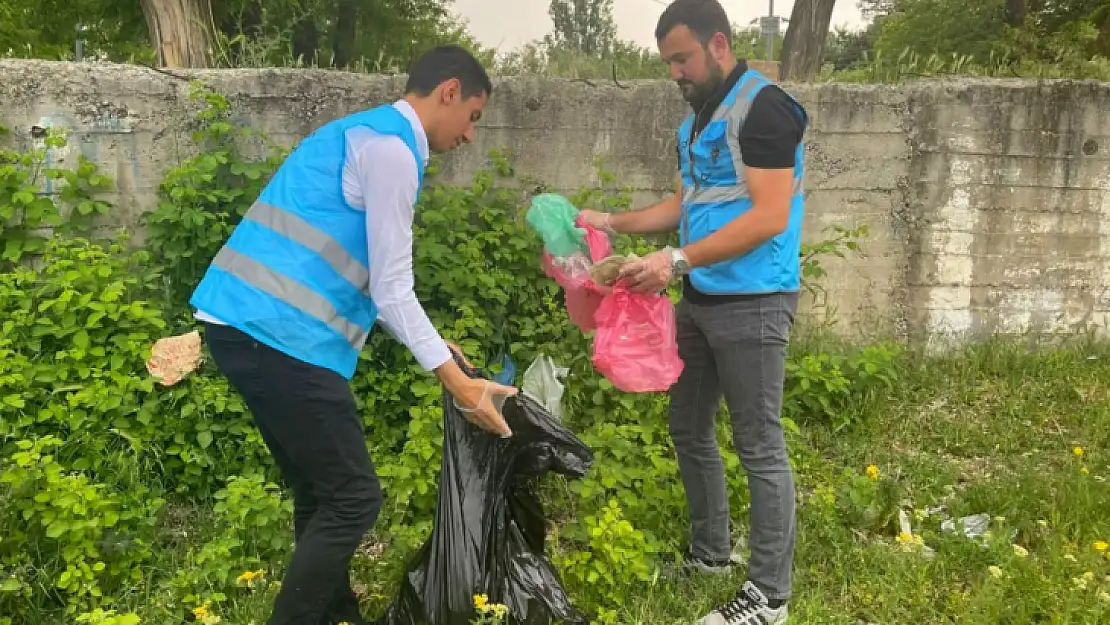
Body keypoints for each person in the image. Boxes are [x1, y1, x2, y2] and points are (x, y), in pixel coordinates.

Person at [188, 45, 518, 625]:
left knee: (321, 491)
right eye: (473, 116)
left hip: (246, 325)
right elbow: (393, 288)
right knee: (354, 497)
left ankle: (336, 613)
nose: (470, 135)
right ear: (448, 91)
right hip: (276, 334)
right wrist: (458, 384)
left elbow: (372, 282)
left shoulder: (360, 134)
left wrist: (441, 348)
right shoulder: (391, 153)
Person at [579, 1, 809, 623]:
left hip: (755, 301)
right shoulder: (697, 122)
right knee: (688, 427)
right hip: (703, 298)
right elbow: (685, 204)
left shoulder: (764, 109)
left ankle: (769, 598)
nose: (674, 73)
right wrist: (610, 223)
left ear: (719, 44)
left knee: (759, 443)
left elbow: (768, 216)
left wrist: (674, 261)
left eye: (681, 58)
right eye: (667, 63)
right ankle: (712, 555)